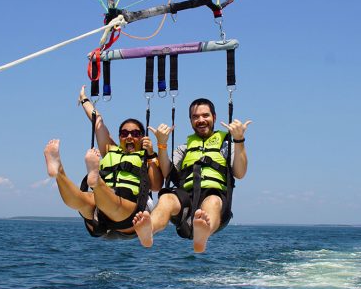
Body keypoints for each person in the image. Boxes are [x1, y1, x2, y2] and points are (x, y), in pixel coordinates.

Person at [133, 98, 251, 252]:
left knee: (212, 202)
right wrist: (162, 144)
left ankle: (203, 234)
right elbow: (167, 172)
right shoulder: (184, 148)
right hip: (186, 200)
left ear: (214, 117)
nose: (201, 120)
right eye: (195, 117)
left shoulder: (226, 145)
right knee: (166, 198)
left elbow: (240, 173)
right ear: (190, 121)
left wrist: (239, 140)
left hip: (216, 195)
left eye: (205, 115)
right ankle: (149, 230)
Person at [43, 87, 163, 239]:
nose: (129, 136)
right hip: (99, 216)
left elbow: (156, 186)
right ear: (119, 137)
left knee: (109, 200)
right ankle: (58, 172)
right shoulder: (110, 150)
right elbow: (97, 121)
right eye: (124, 133)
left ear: (142, 137)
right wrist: (84, 100)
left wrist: (151, 154)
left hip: (131, 216)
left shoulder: (146, 157)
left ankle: (96, 181)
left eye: (135, 133)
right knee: (82, 200)